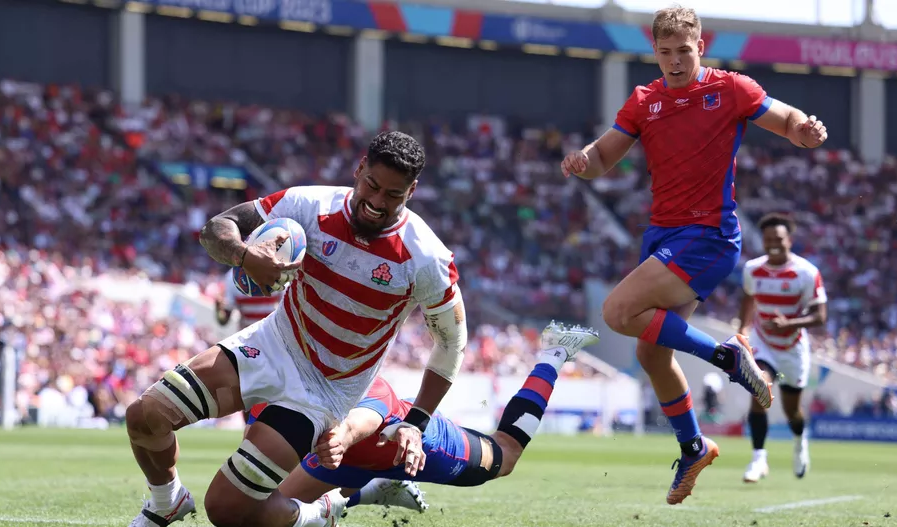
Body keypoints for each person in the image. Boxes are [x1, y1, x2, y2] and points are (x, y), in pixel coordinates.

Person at [125, 131, 468, 527]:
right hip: (273, 344)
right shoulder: (308, 204)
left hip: (322, 393)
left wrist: (416, 421)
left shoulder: (426, 257)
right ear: (359, 169)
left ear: (412, 191)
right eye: (371, 185)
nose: (376, 202)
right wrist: (243, 254)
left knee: (226, 509)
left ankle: (322, 512)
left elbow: (451, 342)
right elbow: (217, 228)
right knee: (145, 415)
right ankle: (166, 500)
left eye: (393, 194)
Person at [560, 5, 828, 505]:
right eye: (665, 53)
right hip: (661, 235)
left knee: (618, 312)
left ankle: (724, 355)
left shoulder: (731, 89)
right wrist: (582, 161)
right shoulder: (644, 101)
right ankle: (693, 446)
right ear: (655, 52)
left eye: (684, 51)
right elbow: (603, 157)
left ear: (700, 46)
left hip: (709, 235)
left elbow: (786, 118)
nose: (675, 61)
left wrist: (803, 130)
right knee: (649, 351)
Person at [268, 321, 600, 526]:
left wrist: (338, 437)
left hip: (418, 444)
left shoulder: (359, 382)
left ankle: (554, 353)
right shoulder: (280, 380)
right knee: (268, 515)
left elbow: (361, 421)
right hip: (346, 460)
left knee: (506, 455)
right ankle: (373, 491)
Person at [738, 213, 827, 483]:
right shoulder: (753, 269)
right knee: (758, 389)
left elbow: (820, 315)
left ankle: (800, 441)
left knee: (792, 412)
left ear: (789, 240)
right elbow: (747, 298)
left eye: (778, 238)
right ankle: (758, 459)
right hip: (764, 343)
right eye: (768, 239)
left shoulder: (806, 272)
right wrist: (743, 329)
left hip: (793, 349)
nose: (773, 243)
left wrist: (791, 323)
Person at [215, 267, 284, 429]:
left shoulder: (277, 270)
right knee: (247, 399)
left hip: (275, 345)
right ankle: (251, 439)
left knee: (272, 399)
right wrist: (218, 308)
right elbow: (223, 318)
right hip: (249, 346)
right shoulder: (232, 277)